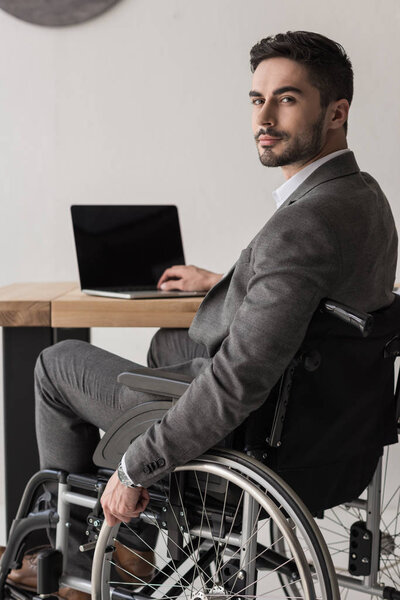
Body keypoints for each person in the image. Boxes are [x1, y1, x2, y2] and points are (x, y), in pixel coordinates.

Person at [1, 30, 397, 598]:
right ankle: (134, 548)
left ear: (337, 111)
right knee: (170, 341)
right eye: (257, 99)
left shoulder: (302, 226)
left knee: (56, 364)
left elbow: (239, 381)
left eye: (287, 99)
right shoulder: (364, 197)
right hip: (337, 439)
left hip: (258, 436)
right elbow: (321, 298)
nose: (265, 116)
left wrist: (136, 466)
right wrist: (226, 283)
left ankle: (85, 555)